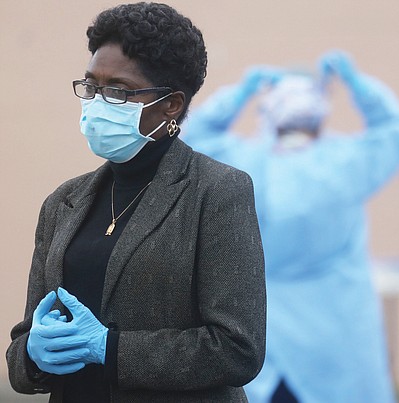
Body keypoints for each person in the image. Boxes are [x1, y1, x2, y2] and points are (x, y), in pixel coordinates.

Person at [6, 3, 266, 402]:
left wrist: (111, 349)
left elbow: (237, 349)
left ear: (171, 105)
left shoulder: (217, 191)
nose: (96, 101)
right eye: (91, 85)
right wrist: (31, 354)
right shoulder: (63, 201)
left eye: (118, 90)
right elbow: (24, 352)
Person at [181, 51, 399, 403]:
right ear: (319, 113)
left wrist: (242, 92)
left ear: (271, 112)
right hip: (337, 338)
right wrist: (356, 83)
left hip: (262, 334)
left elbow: (190, 136)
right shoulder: (345, 162)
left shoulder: (242, 165)